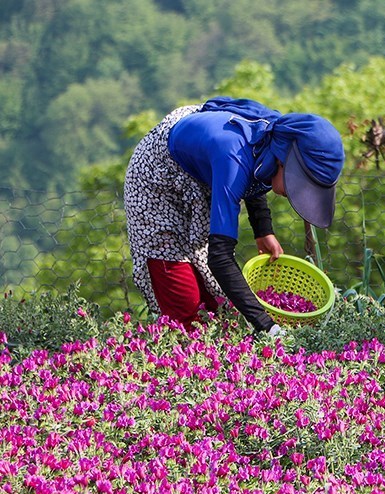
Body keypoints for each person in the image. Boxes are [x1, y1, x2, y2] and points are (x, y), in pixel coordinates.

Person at [124, 96, 344, 334]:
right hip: (157, 176)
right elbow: (219, 257)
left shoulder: (276, 141)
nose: (299, 194)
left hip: (204, 158)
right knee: (184, 301)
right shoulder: (233, 158)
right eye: (300, 184)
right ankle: (182, 359)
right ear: (283, 162)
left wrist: (263, 229)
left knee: (214, 302)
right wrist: (267, 326)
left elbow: (256, 170)